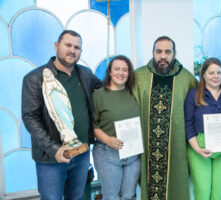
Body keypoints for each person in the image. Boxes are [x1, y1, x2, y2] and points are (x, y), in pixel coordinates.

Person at [22, 30, 102, 199]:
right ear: (57, 46)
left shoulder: (85, 74)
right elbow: (30, 117)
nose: (72, 50)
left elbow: (104, 91)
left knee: (75, 196)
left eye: (77, 47)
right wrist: (54, 150)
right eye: (68, 45)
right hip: (52, 158)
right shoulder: (35, 78)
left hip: (81, 153)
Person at [133, 36, 197, 200]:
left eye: (167, 52)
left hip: (176, 148)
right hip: (147, 146)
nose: (163, 56)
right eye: (159, 51)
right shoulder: (139, 76)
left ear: (175, 53)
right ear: (153, 53)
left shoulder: (187, 79)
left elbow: (196, 112)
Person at [184, 57, 221, 200]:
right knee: (203, 191)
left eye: (219, 72)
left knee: (218, 192)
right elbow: (188, 124)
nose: (215, 76)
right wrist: (197, 148)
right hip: (200, 148)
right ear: (203, 74)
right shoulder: (193, 95)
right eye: (211, 73)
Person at [92, 55, 141, 200]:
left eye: (125, 70)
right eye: (117, 69)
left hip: (132, 154)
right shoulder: (99, 95)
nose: (121, 73)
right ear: (110, 72)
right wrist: (107, 139)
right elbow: (94, 126)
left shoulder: (134, 92)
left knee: (129, 195)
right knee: (111, 196)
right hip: (108, 154)